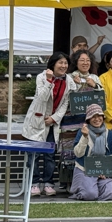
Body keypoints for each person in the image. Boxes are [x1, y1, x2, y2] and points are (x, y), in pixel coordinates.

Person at [23, 51, 76, 197]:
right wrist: (49, 80)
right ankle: (34, 183)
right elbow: (42, 98)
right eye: (60, 63)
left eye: (65, 63)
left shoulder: (69, 80)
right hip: (37, 121)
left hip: (52, 123)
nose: (63, 66)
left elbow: (66, 103)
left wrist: (54, 118)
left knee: (50, 155)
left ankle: (48, 183)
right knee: (34, 155)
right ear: (53, 64)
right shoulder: (41, 77)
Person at [70, 104, 112, 201]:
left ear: (103, 117)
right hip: (84, 169)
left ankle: (94, 190)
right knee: (90, 194)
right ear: (88, 119)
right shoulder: (82, 132)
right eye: (93, 116)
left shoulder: (109, 134)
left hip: (102, 171)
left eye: (99, 116)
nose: (97, 119)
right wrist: (84, 137)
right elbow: (78, 154)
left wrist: (105, 171)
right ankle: (89, 191)